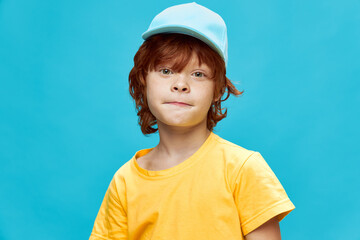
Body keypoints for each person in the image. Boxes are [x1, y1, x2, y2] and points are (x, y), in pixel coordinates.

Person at [89, 2, 295, 240]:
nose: (180, 85)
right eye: (166, 71)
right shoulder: (125, 182)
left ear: (218, 89)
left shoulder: (243, 169)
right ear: (143, 79)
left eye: (198, 74)